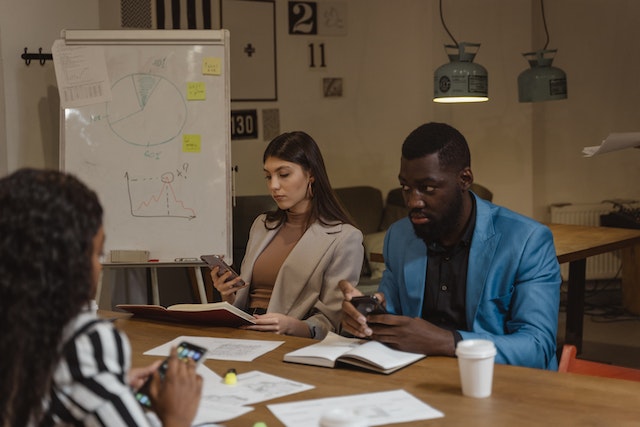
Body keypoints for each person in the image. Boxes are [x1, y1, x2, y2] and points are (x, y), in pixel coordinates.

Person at [340, 122, 561, 370]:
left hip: (500, 382)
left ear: (464, 179)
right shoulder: (399, 236)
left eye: (428, 188)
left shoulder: (527, 240)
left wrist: (449, 342)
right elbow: (392, 303)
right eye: (406, 187)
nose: (413, 201)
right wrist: (367, 315)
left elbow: (538, 347)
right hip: (418, 378)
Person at [0, 168, 203, 426]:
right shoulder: (86, 341)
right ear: (69, 264)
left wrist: (104, 386)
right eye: (97, 254)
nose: (100, 265)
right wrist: (176, 418)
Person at [213, 131, 364, 339]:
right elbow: (243, 302)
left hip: (289, 340)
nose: (273, 186)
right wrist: (227, 295)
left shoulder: (345, 238)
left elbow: (332, 321)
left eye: (283, 174)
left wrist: (291, 326)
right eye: (268, 176)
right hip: (242, 331)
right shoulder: (261, 225)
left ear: (311, 174)